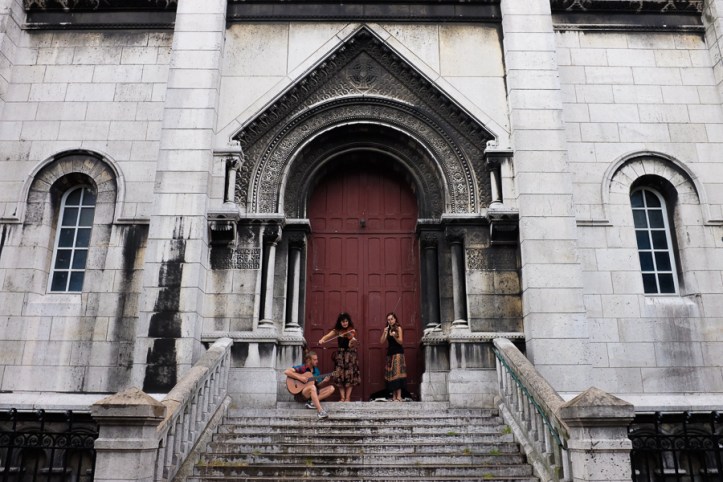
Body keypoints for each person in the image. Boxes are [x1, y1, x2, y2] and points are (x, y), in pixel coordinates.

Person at [318, 312, 361, 402]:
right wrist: (322, 340)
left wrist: (352, 341)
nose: (345, 323)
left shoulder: (351, 330)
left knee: (350, 376)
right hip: (340, 356)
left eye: (346, 321)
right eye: (343, 322)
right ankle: (342, 398)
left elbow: (351, 344)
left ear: (348, 321)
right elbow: (327, 336)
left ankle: (347, 398)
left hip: (350, 356)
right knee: (339, 376)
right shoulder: (337, 331)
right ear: (340, 322)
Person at [284, 351, 334, 419]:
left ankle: (312, 402)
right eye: (314, 359)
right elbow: (286, 371)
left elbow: (318, 386)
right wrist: (300, 378)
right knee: (312, 387)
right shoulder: (302, 367)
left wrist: (324, 381)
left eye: (317, 359)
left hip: (313, 392)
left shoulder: (316, 371)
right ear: (309, 360)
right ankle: (320, 411)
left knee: (331, 388)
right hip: (301, 394)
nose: (317, 361)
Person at [380, 311, 407, 401]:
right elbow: (381, 341)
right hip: (390, 353)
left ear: (395, 319)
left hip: (398, 353)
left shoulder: (398, 328)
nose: (390, 321)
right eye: (388, 320)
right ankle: (394, 396)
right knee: (391, 375)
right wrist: (384, 333)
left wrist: (395, 336)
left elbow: (401, 342)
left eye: (392, 319)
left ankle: (399, 396)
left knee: (397, 374)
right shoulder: (387, 329)